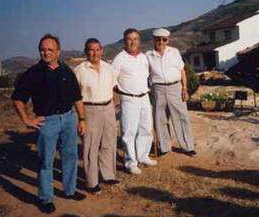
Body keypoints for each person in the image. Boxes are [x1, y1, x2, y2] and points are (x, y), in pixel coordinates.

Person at [12, 34, 86, 214]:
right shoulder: (33, 74)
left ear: (58, 51)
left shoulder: (66, 70)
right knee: (46, 162)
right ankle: (46, 198)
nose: (46, 53)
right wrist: (27, 119)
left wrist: (82, 119)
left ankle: (69, 191)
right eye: (43, 50)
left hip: (69, 119)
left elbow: (77, 97)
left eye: (50, 50)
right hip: (47, 122)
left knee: (70, 157)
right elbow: (17, 98)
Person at [74, 38, 119, 195]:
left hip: (108, 108)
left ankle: (108, 175)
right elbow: (75, 96)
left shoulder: (108, 68)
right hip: (90, 110)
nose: (95, 53)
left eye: (97, 49)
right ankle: (92, 182)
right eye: (91, 50)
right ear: (86, 52)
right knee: (90, 146)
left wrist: (114, 104)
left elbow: (114, 87)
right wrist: (81, 118)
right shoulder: (80, 70)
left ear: (102, 50)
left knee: (109, 142)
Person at [112, 28, 157, 174]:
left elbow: (147, 77)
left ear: (139, 40)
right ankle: (131, 162)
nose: (133, 42)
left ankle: (143, 156)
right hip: (129, 98)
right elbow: (112, 81)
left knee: (145, 128)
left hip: (144, 97)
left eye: (135, 39)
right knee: (129, 132)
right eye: (129, 39)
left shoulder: (143, 57)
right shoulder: (119, 58)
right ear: (125, 41)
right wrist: (117, 98)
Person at [146, 28, 196, 157]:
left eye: (164, 39)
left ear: (168, 40)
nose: (161, 42)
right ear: (153, 40)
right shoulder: (148, 55)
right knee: (160, 118)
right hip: (158, 89)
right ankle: (164, 146)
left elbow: (182, 71)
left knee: (181, 117)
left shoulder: (174, 52)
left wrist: (184, 88)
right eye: (158, 39)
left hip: (175, 88)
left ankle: (187, 146)